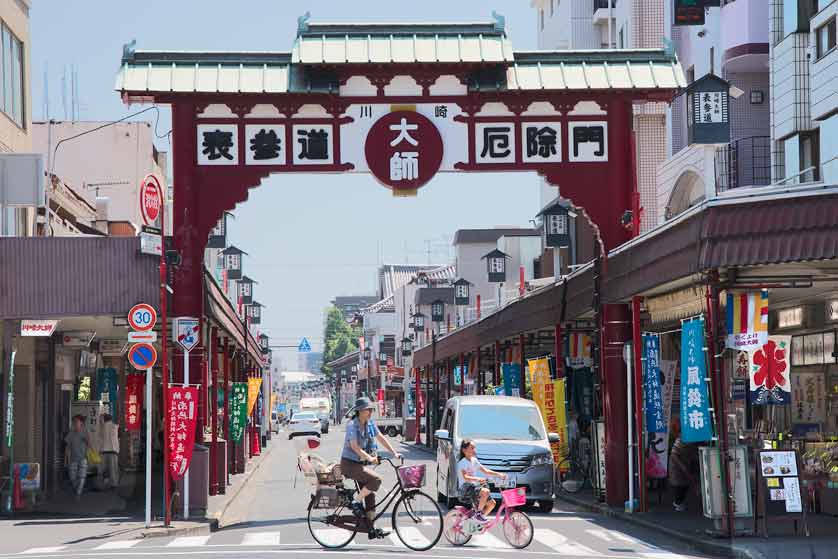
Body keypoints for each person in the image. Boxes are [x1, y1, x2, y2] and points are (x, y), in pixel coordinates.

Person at [340, 396, 402, 540]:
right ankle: (355, 501)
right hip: (349, 464)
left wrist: (394, 452)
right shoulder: (352, 425)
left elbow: (381, 437)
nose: (370, 412)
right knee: (376, 480)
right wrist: (370, 458)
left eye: (370, 410)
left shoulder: (369, 423)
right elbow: (354, 446)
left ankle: (371, 528)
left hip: (360, 464)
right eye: (367, 410)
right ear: (360, 411)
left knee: (370, 495)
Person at [457, 439, 506, 521]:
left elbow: (486, 471)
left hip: (473, 487)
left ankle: (477, 520)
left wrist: (499, 474)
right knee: (485, 491)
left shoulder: (474, 460)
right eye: (472, 448)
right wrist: (478, 479)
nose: (474, 450)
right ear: (464, 450)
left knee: (492, 503)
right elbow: (465, 477)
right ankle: (478, 515)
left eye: (474, 448)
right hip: (465, 489)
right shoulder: (462, 463)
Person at [668, 415, 700, 512]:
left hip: (682, 463)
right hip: (679, 464)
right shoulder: (682, 437)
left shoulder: (681, 436)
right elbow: (675, 452)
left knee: (682, 484)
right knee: (680, 484)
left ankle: (679, 503)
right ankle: (678, 503)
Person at [65, 415, 90, 500]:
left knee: (82, 477)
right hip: (73, 458)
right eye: (74, 422)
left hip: (83, 458)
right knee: (72, 477)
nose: (75, 423)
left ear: (81, 423)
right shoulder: (71, 433)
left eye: (77, 421)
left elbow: (89, 444)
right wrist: (67, 458)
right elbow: (67, 446)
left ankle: (78, 493)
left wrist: (86, 440)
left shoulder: (85, 432)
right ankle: (77, 489)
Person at [98, 413, 120, 490]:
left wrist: (101, 416)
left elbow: (100, 420)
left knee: (103, 469)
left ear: (105, 419)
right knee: (113, 469)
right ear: (111, 419)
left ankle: (104, 484)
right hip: (113, 451)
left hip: (103, 451)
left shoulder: (102, 427)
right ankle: (113, 484)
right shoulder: (115, 426)